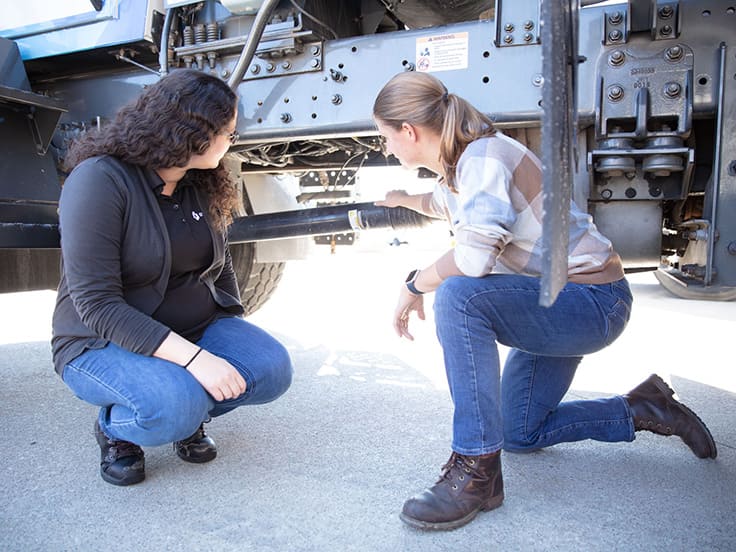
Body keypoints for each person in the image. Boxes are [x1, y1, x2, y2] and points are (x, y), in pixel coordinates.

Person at [372, 71, 717, 531]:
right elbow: (438, 202)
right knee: (520, 431)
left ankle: (476, 471)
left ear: (409, 132)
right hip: (556, 301)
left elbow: (473, 258)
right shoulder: (463, 169)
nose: (387, 149)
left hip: (591, 301)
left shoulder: (484, 158)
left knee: (457, 295)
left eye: (384, 138)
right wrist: (399, 198)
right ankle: (642, 408)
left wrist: (414, 284)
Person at [52, 69, 292, 487]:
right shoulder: (100, 179)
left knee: (271, 369)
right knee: (172, 405)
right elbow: (97, 305)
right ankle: (117, 428)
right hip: (100, 341)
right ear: (192, 133)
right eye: (228, 133)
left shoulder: (200, 181)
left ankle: (187, 411)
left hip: (192, 327)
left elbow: (221, 263)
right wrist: (198, 361)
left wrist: (230, 322)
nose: (232, 141)